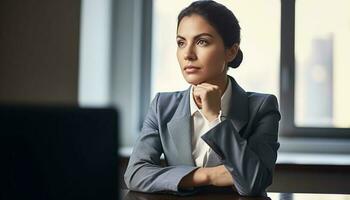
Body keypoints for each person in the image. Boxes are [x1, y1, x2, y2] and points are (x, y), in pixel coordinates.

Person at [124, 0, 281, 197]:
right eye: (181, 43)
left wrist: (215, 119)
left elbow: (253, 183)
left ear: (231, 51)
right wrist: (210, 176)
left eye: (202, 42)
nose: (188, 54)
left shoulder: (262, 107)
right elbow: (136, 174)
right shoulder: (162, 106)